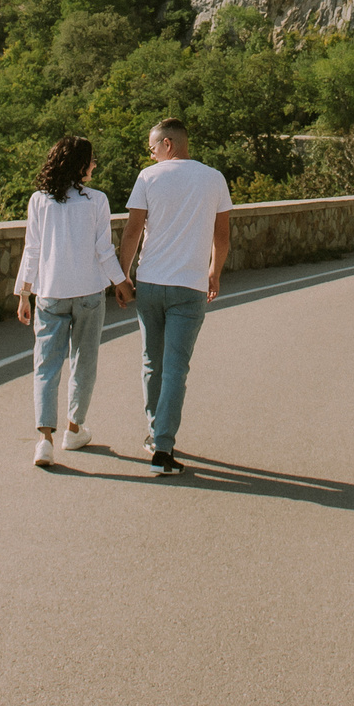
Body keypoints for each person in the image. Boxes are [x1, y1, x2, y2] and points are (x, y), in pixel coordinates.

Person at [117, 117, 233, 476]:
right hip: (189, 286)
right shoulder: (213, 178)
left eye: (153, 148)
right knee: (176, 368)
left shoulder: (148, 178)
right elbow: (222, 236)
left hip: (150, 283)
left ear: (168, 144)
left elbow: (133, 231)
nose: (150, 155)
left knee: (153, 362)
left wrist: (121, 278)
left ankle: (155, 435)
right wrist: (214, 272)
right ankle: (163, 447)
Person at [14, 135, 130, 468]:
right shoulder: (97, 200)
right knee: (84, 361)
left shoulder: (39, 201)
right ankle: (74, 429)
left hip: (50, 293)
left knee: (46, 367)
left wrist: (24, 293)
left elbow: (32, 249)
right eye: (91, 160)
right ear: (80, 164)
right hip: (89, 293)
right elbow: (103, 250)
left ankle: (44, 440)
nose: (95, 165)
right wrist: (121, 283)